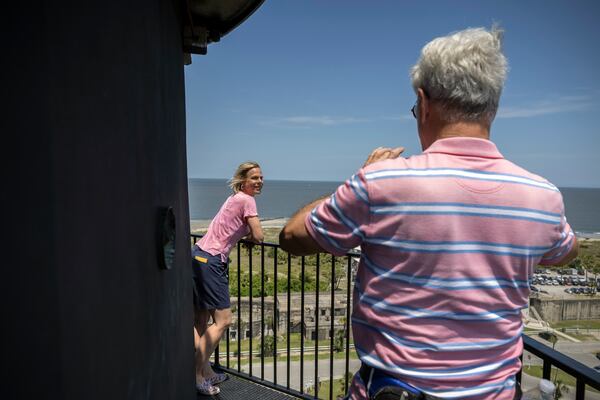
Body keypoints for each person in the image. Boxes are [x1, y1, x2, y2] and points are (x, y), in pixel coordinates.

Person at [280, 27, 578, 400]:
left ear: (423, 103)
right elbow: (567, 250)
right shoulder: (543, 196)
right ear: (493, 107)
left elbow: (291, 237)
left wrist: (359, 176)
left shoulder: (381, 183)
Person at [193, 161, 264, 395]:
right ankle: (196, 376)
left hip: (198, 255)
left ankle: (206, 371)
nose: (259, 181)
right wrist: (249, 239)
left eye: (261, 178)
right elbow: (260, 235)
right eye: (254, 178)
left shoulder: (233, 198)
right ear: (243, 180)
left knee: (201, 321)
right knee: (223, 320)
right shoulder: (247, 200)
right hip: (212, 260)